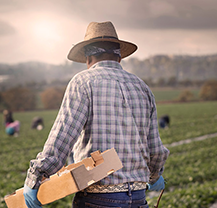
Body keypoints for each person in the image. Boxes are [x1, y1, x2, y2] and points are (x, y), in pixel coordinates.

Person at [23, 21, 169, 208]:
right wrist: (155, 174)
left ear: (88, 57)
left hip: (99, 198)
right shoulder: (142, 87)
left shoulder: (83, 82)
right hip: (138, 199)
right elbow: (156, 149)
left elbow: (62, 138)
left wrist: (35, 177)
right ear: (119, 57)